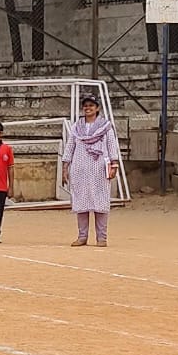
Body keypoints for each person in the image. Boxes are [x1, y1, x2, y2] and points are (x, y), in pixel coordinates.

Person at [62, 95, 120, 247]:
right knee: (81, 202)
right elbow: (70, 147)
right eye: (85, 106)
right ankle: (82, 237)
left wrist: (114, 165)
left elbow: (112, 145)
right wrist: (65, 167)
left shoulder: (105, 126)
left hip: (99, 169)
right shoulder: (76, 127)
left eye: (91, 105)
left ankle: (102, 238)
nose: (88, 108)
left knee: (100, 202)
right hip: (79, 169)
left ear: (97, 108)